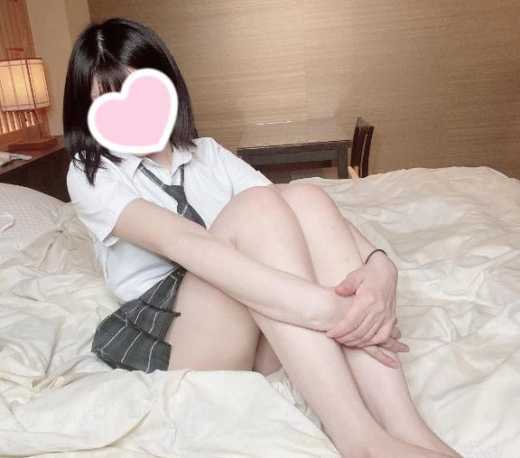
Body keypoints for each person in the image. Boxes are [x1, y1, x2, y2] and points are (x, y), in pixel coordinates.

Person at [63, 17, 461, 458]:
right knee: (256, 208)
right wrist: (330, 308)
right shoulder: (92, 174)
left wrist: (380, 269)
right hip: (180, 333)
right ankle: (358, 438)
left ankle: (408, 428)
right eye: (108, 106)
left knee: (306, 197)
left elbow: (297, 212)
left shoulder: (207, 154)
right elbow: (184, 244)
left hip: (255, 324)